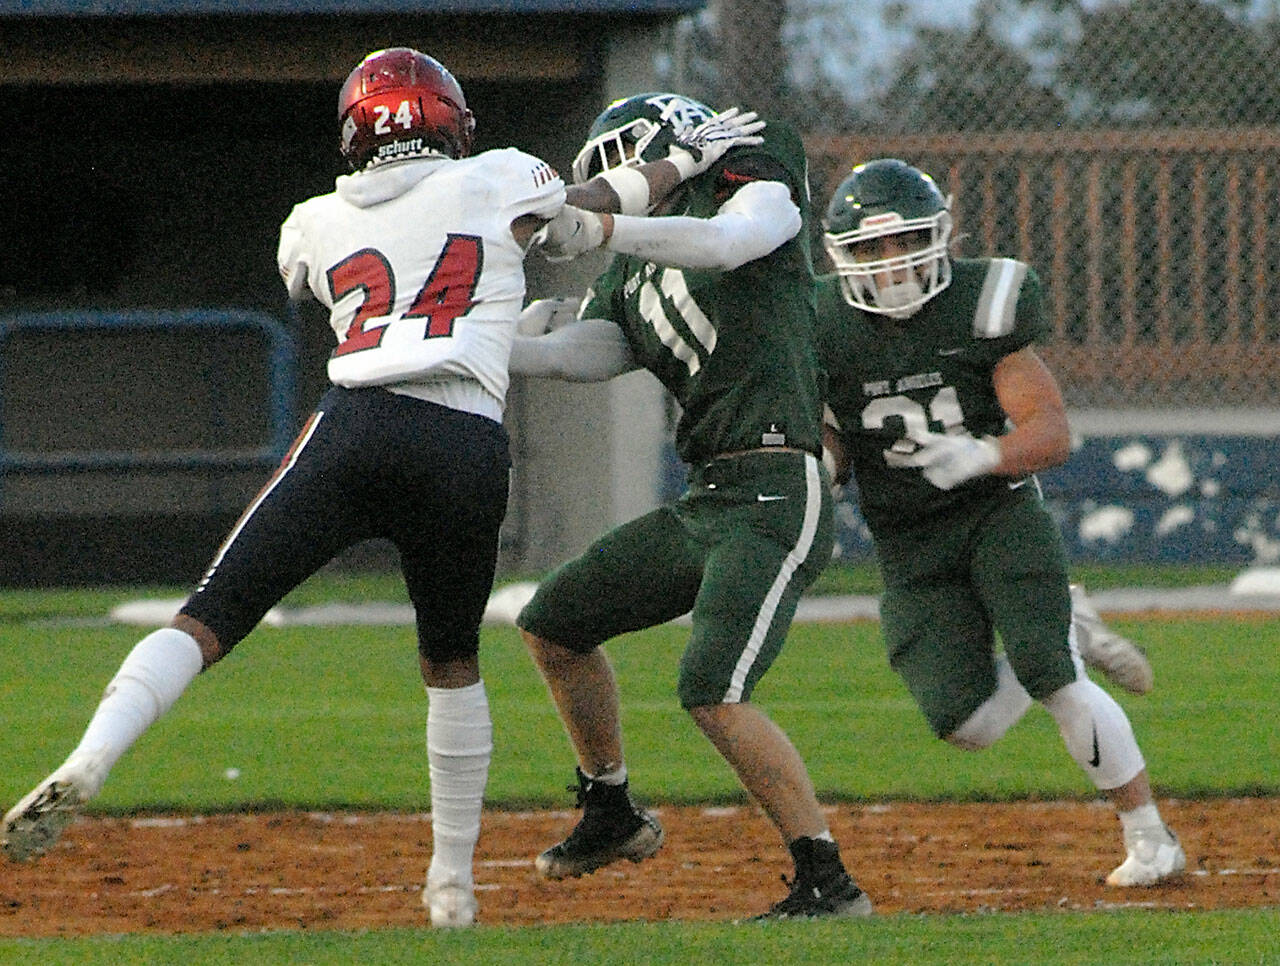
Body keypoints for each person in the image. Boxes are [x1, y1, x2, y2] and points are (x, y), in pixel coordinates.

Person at [0, 50, 757, 929]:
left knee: (208, 614)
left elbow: (316, 281)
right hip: (465, 438)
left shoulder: (312, 219)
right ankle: (450, 888)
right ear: (449, 119)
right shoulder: (501, 177)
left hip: (357, 424)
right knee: (451, 662)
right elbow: (591, 215)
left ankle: (93, 757)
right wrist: (686, 160)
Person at [508, 92, 873, 920]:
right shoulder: (634, 267)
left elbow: (728, 241)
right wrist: (486, 346)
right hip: (708, 493)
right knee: (554, 623)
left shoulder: (752, 163)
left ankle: (827, 879)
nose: (618, 187)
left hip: (779, 484)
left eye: (624, 167)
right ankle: (610, 809)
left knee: (714, 687)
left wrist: (603, 228)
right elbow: (589, 355)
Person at [813, 157, 1184, 887]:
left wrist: (984, 454)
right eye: (870, 249)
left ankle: (1150, 838)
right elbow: (826, 437)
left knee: (1053, 677)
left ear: (940, 236)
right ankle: (1069, 628)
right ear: (841, 257)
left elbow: (1050, 433)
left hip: (996, 511)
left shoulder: (985, 303)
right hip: (909, 539)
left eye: (905, 241)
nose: (891, 264)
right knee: (966, 725)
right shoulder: (818, 325)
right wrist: (815, 469)